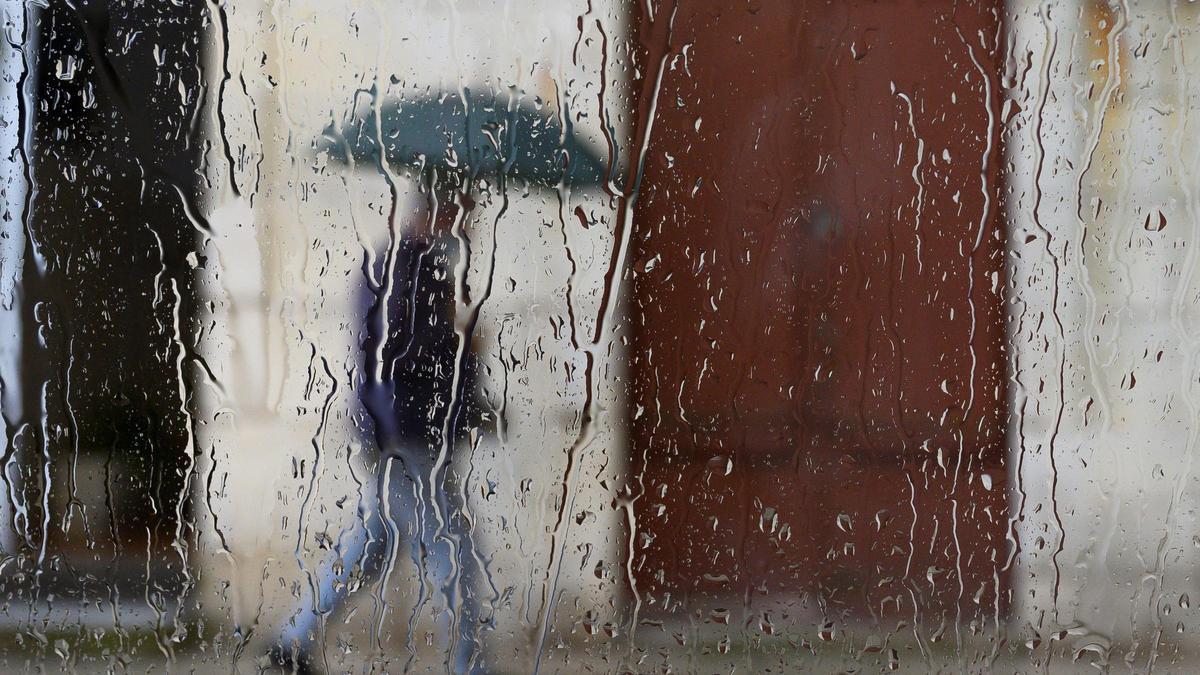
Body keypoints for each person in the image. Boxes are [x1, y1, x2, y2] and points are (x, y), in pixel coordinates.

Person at [274, 193, 487, 674]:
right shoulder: (411, 269)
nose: (467, 224)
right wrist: (463, 335)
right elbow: (405, 357)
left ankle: (292, 641)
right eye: (461, 213)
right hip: (408, 438)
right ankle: (473, 667)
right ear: (437, 213)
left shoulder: (408, 266)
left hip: (398, 433)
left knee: (370, 546)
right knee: (456, 556)